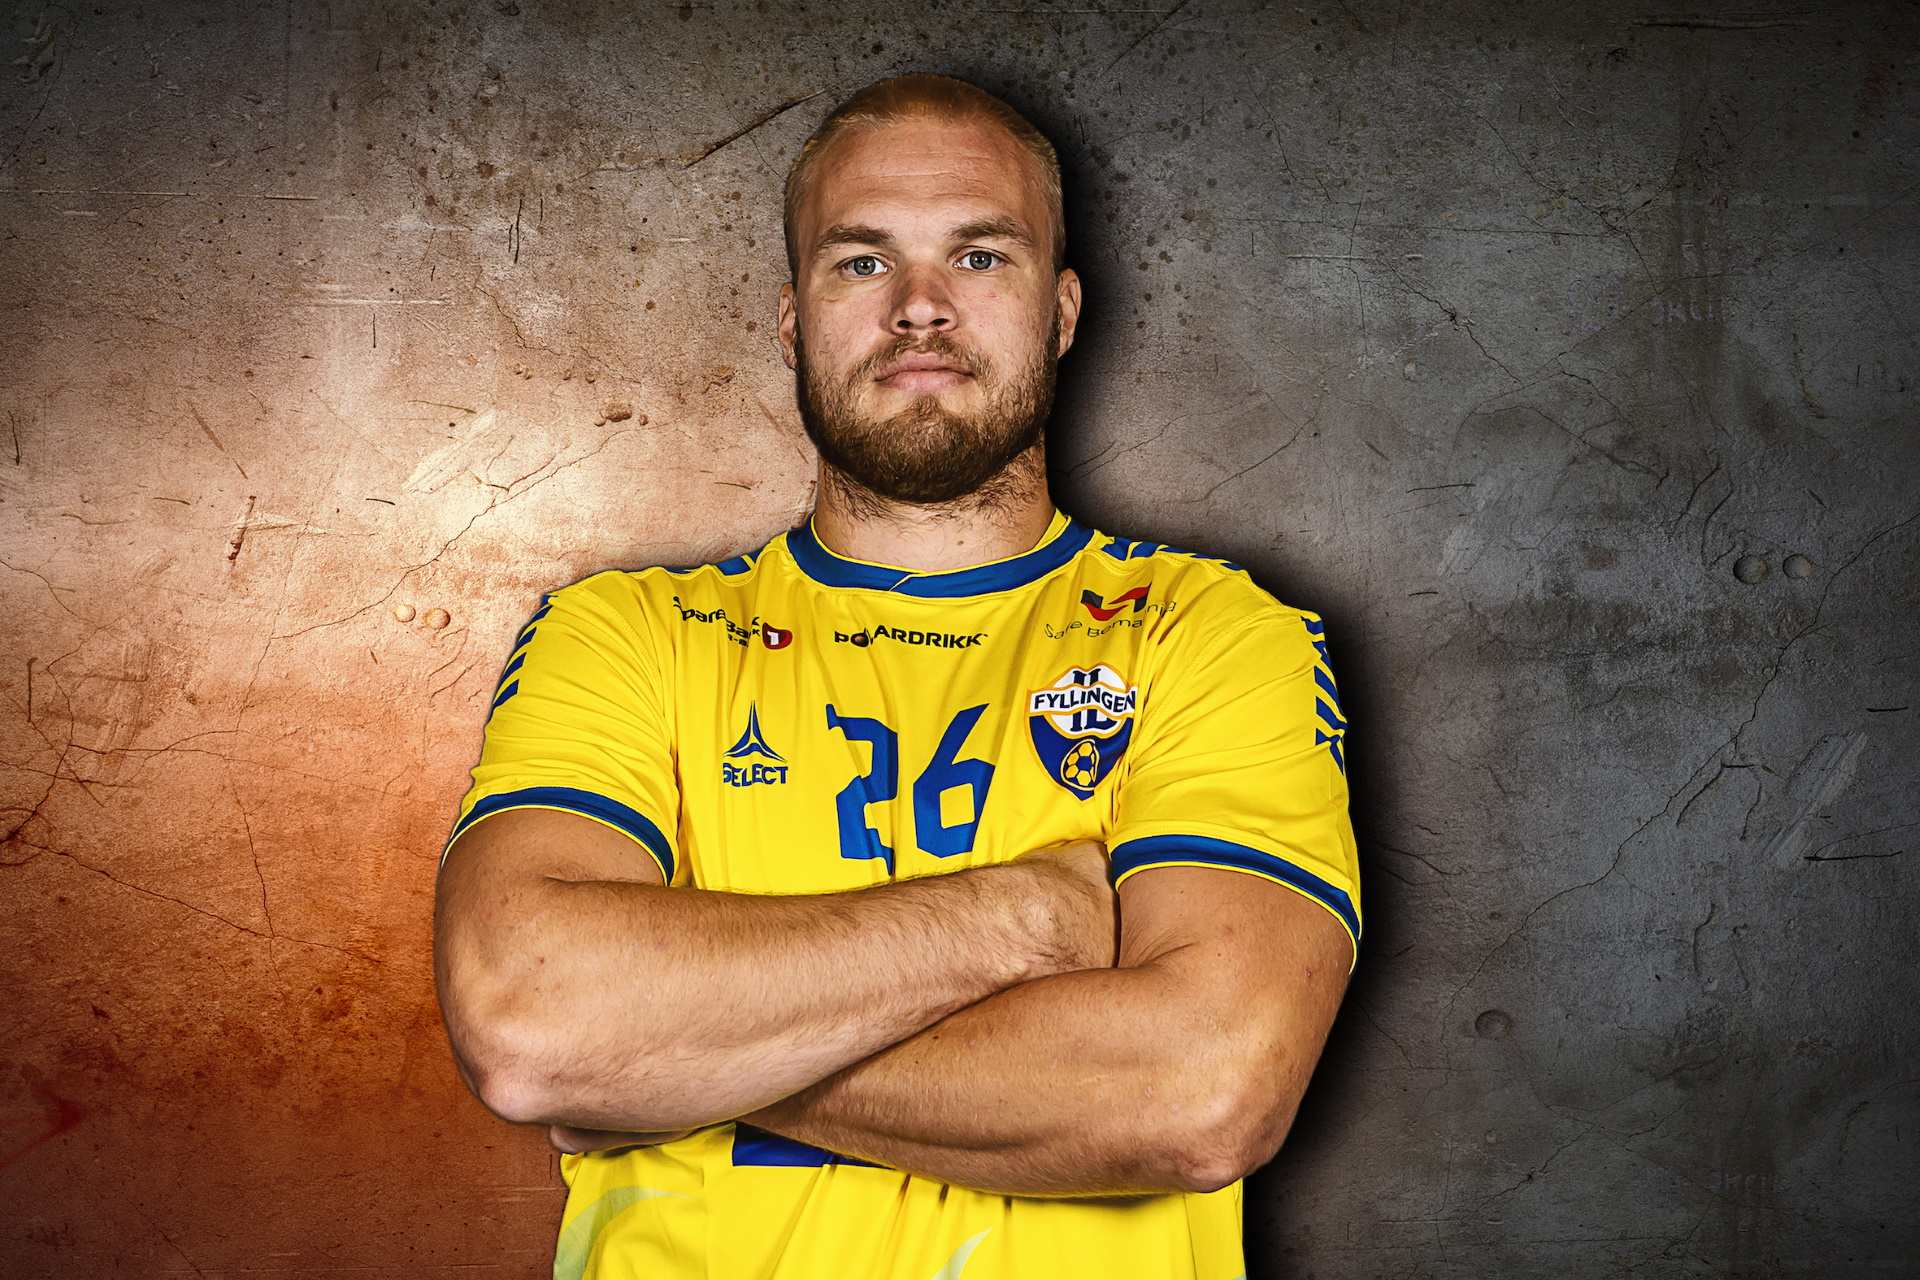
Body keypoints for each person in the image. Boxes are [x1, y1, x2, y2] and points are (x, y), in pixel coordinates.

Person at [434, 74, 1360, 1280]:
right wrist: (1029, 916)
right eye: (862, 261)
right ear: (792, 318)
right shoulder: (625, 634)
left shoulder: (1213, 632)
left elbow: (1203, 1091)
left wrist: (669, 1059)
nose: (921, 307)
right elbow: (530, 1018)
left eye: (980, 256)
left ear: (1062, 310)